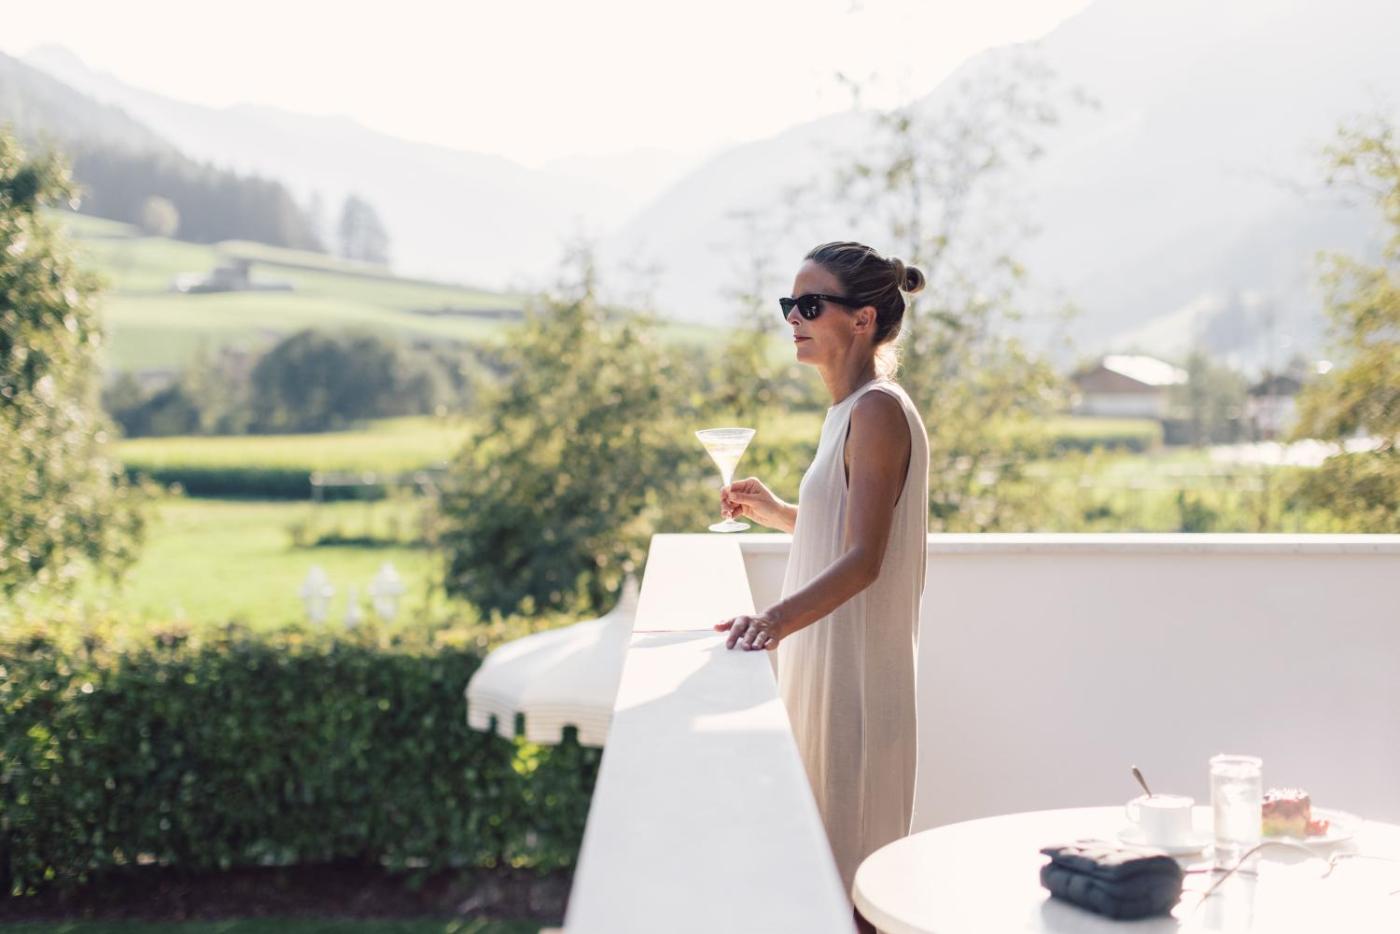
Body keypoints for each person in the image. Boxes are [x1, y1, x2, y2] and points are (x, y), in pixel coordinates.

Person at [715, 241, 930, 928]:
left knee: (848, 902)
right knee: (819, 890)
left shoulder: (876, 410)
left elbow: (865, 558)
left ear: (863, 319)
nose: (792, 319)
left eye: (809, 305)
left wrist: (771, 619)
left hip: (855, 689)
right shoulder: (850, 411)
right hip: (828, 675)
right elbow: (848, 528)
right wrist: (780, 513)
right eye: (790, 304)